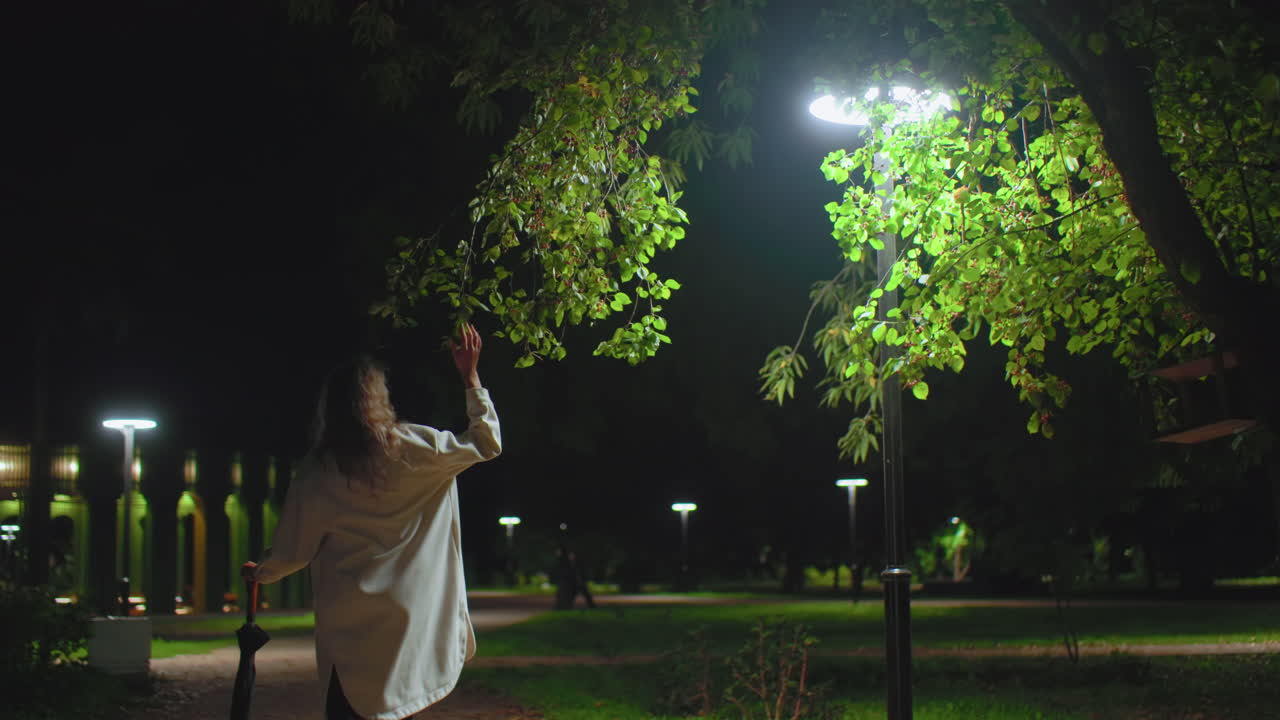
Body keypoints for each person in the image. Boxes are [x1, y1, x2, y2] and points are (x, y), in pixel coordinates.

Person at [242, 323, 501, 720]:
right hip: (408, 618)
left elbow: (295, 549)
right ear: (380, 399)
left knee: (348, 706)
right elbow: (486, 442)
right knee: (401, 704)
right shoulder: (416, 447)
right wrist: (470, 377)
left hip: (349, 624)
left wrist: (261, 572)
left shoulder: (318, 471)